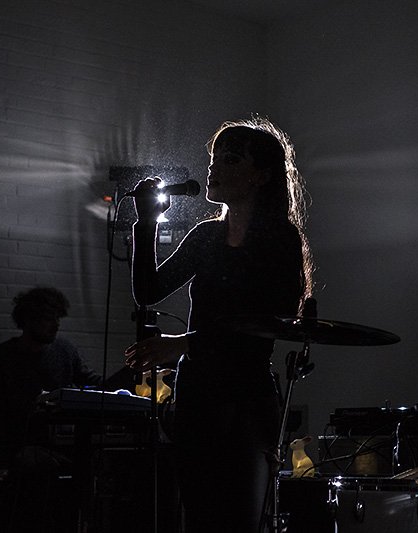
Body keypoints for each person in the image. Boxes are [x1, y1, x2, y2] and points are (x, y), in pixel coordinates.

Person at [123, 117, 313, 532]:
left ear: (260, 176)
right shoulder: (206, 236)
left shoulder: (279, 239)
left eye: (230, 159)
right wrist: (147, 223)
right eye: (214, 159)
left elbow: (268, 322)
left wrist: (185, 343)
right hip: (198, 393)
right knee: (199, 515)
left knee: (241, 516)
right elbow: (149, 291)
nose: (214, 168)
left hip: (247, 394)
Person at [0, 286, 130, 532]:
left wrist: (130, 371)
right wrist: (0, 464)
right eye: (48, 318)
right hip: (18, 449)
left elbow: (95, 386)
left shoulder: (64, 351)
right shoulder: (0, 357)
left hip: (55, 449)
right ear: (28, 320)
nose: (56, 325)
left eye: (57, 318)